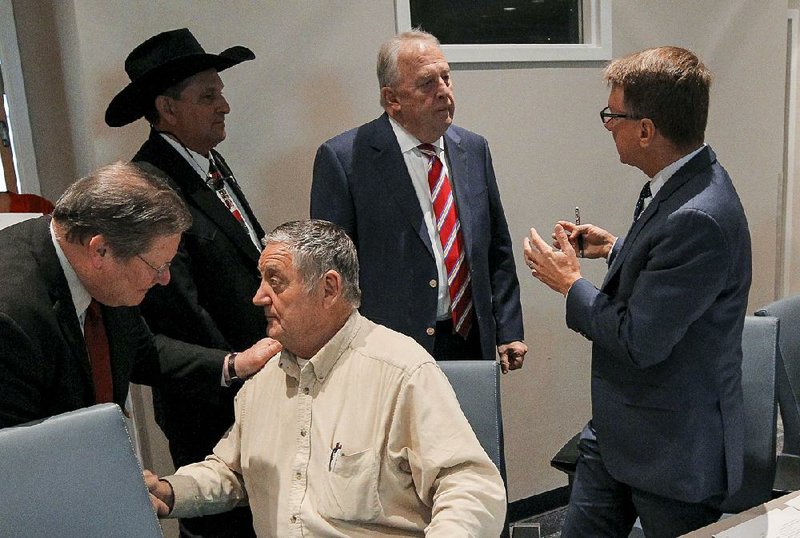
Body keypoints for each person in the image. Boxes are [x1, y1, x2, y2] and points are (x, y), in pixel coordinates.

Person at [144, 219, 507, 537]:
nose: (258, 297)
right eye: (261, 281)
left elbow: (469, 486)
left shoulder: (400, 371)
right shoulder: (264, 379)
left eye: (275, 281)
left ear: (329, 288)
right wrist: (170, 491)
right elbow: (232, 473)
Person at [523, 47, 752, 537]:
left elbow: (637, 341)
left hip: (673, 452)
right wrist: (614, 248)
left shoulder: (701, 215)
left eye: (613, 116)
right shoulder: (681, 182)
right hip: (616, 434)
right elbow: (669, 271)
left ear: (646, 129)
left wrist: (569, 284)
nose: (608, 126)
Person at [106, 29, 267, 537]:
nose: (225, 106)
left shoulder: (207, 163)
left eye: (220, 92)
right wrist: (246, 370)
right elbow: (177, 311)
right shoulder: (150, 184)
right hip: (211, 405)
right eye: (208, 96)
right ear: (166, 109)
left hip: (253, 390)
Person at [311, 30, 526, 372]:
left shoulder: (472, 149)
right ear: (392, 98)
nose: (443, 91)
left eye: (446, 77)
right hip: (389, 351)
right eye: (427, 83)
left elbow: (496, 247)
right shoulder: (345, 159)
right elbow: (330, 271)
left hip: (471, 340)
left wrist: (509, 328)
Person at [0, 162, 276, 428]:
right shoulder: (12, 316)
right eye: (157, 266)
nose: (165, 279)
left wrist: (235, 363)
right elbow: (19, 456)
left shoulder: (103, 270)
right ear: (100, 251)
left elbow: (140, 349)